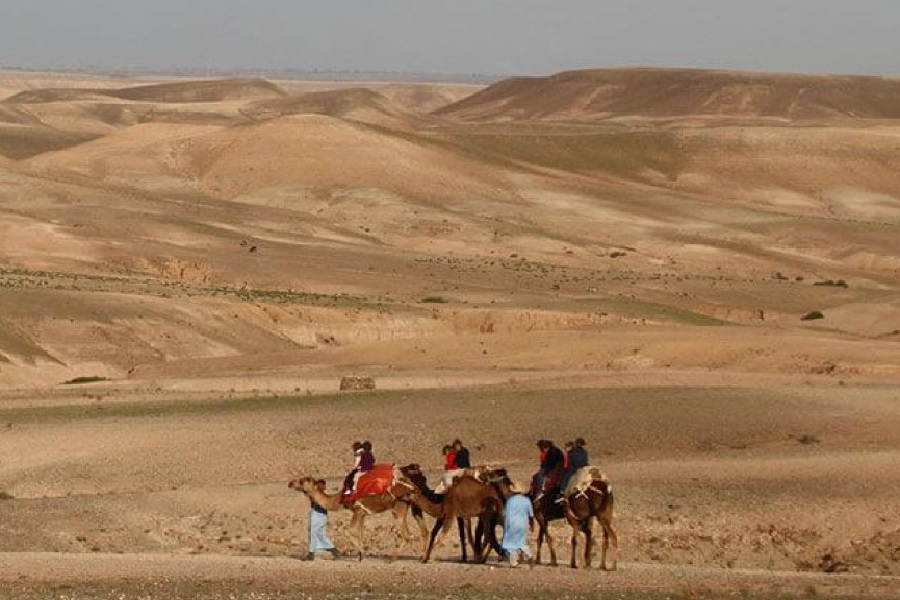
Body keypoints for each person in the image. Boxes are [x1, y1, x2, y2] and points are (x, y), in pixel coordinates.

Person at [304, 479, 341, 561]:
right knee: (320, 534)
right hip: (320, 514)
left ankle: (311, 553)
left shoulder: (322, 495)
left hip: (318, 514)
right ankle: (333, 550)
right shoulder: (318, 493)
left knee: (314, 533)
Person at [501, 480, 534, 567]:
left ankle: (514, 562)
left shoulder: (510, 501)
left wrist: (505, 525)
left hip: (512, 524)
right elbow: (531, 514)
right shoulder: (527, 500)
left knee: (510, 543)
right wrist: (532, 525)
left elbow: (505, 514)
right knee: (521, 542)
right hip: (523, 524)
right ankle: (529, 555)